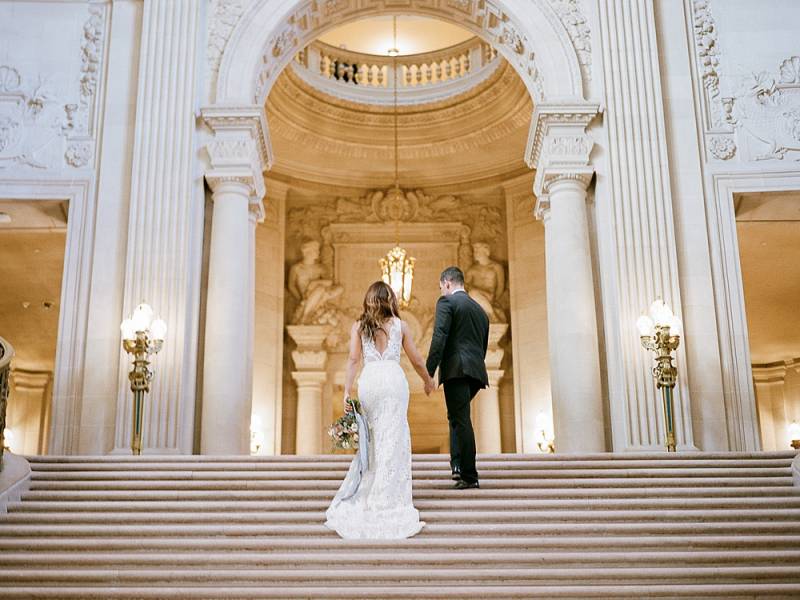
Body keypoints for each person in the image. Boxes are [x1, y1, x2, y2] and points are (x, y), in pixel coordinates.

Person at [325, 281, 433, 539]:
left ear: (369, 300)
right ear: (390, 300)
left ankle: (370, 489)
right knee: (393, 437)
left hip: (371, 380)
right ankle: (388, 496)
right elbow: (417, 359)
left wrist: (347, 390)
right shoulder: (400, 326)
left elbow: (353, 359)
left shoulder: (359, 326)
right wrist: (428, 380)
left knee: (372, 439)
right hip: (394, 381)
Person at [425, 266, 490, 490]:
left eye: (441, 287)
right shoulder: (480, 310)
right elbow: (482, 345)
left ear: (447, 283)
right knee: (456, 415)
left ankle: (470, 475)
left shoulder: (447, 303)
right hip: (475, 370)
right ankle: (457, 467)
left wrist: (428, 370)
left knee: (461, 419)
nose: (441, 291)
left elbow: (439, 336)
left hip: (456, 369)